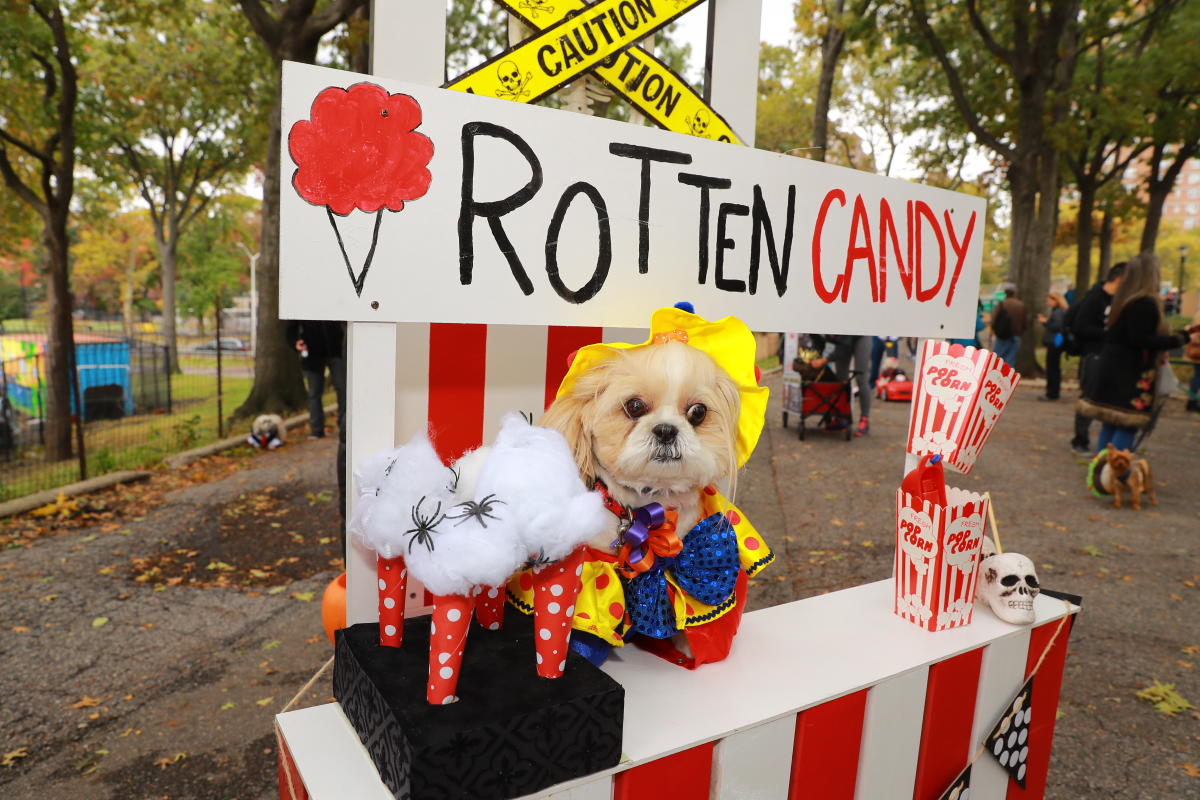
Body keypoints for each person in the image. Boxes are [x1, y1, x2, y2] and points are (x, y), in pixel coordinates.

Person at [1076, 254, 1198, 453]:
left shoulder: (1122, 301)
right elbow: (1141, 339)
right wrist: (1179, 339)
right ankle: (1115, 476)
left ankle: (1101, 474)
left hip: (1113, 367)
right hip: (1131, 373)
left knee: (1111, 422)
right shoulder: (1144, 303)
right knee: (1126, 424)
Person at [1069, 262, 1125, 452]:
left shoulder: (1120, 300)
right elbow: (1080, 327)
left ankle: (1105, 444)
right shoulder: (1094, 298)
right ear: (1118, 279)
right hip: (1093, 354)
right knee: (1089, 396)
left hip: (1111, 356)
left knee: (1106, 398)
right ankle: (1080, 439)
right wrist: (1107, 334)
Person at [285, 320, 346, 439]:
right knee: (314, 393)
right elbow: (291, 327)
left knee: (343, 388)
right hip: (312, 355)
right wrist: (295, 343)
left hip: (336, 351)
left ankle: (344, 426)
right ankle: (317, 429)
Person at [809, 334, 872, 436]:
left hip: (859, 336)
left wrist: (824, 360)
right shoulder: (813, 328)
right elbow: (818, 344)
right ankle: (842, 418)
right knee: (841, 379)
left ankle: (864, 419)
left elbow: (844, 348)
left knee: (861, 378)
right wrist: (813, 358)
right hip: (842, 341)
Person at [1037, 292, 1067, 400]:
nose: (1048, 302)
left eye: (1049, 300)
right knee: (1053, 367)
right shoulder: (1059, 311)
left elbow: (1057, 326)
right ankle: (1053, 391)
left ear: (1055, 300)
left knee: (1052, 367)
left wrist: (1045, 322)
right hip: (1056, 342)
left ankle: (1052, 392)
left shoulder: (1058, 312)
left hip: (1054, 342)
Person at [990, 285, 1026, 367]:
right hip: (1016, 335)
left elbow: (994, 319)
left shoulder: (1002, 304)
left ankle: (995, 377)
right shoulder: (1021, 305)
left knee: (998, 359)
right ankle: (1006, 378)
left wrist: (995, 330)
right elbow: (1024, 322)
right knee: (1011, 359)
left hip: (1002, 335)